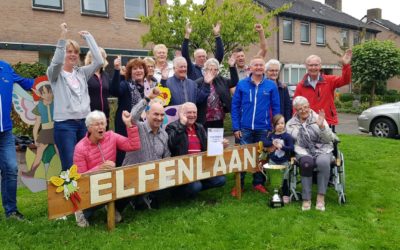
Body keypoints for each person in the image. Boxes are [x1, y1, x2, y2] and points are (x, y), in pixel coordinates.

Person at [47, 23, 103, 171]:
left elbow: (99, 61)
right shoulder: (54, 74)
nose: (72, 54)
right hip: (65, 126)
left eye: (76, 52)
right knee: (70, 166)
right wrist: (62, 36)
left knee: (86, 163)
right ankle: (70, 194)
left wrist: (89, 38)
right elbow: (57, 61)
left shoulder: (81, 72)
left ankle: (84, 194)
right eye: (69, 51)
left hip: (84, 124)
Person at [73, 110, 141, 227]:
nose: (101, 127)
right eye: (97, 124)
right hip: (91, 186)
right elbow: (80, 178)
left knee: (131, 184)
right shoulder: (80, 148)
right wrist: (99, 168)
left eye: (103, 123)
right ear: (89, 128)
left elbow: (134, 145)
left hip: (110, 181)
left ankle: (114, 208)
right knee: (91, 202)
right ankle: (81, 212)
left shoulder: (112, 136)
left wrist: (129, 125)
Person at [230, 56, 281, 197]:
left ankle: (258, 183)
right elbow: (235, 107)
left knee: (261, 156)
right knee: (241, 157)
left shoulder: (271, 85)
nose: (258, 67)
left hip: (263, 128)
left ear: (264, 68)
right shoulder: (242, 84)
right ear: (250, 68)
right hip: (244, 128)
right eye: (256, 65)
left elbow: (276, 108)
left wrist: (275, 128)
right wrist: (236, 127)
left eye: (261, 65)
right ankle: (238, 185)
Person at [117, 88, 170, 212]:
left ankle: (146, 198)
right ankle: (134, 200)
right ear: (146, 114)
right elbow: (133, 115)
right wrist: (148, 98)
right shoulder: (138, 127)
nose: (159, 118)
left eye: (162, 115)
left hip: (153, 176)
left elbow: (167, 156)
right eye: (156, 114)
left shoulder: (164, 134)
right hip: (131, 175)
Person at [166, 102, 228, 198]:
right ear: (181, 114)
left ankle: (195, 186)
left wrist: (220, 145)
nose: (192, 115)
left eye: (194, 112)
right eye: (189, 112)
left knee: (221, 180)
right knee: (196, 186)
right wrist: (182, 125)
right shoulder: (172, 127)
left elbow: (207, 147)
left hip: (200, 167)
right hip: (183, 169)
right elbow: (171, 144)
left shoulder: (199, 127)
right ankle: (177, 192)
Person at [286, 96, 336, 211]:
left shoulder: (318, 118)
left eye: (305, 107)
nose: (303, 110)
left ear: (309, 106)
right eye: (300, 109)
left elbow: (329, 139)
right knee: (306, 164)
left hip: (323, 148)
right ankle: (306, 198)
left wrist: (322, 127)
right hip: (303, 151)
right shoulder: (291, 124)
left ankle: (320, 197)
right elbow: (293, 140)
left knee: (323, 162)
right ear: (296, 111)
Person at [0, 60, 34, 220]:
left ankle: (11, 211)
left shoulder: (5, 67)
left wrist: (51, 80)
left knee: (11, 168)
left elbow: (25, 82)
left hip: (5, 131)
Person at [294, 49, 352, 132]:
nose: (313, 68)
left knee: (329, 144)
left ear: (320, 66)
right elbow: (295, 106)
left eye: (316, 65)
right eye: (310, 65)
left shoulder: (329, 80)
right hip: (308, 123)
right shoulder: (301, 85)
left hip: (327, 121)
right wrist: (296, 122)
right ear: (306, 66)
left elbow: (345, 80)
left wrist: (346, 66)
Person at [111, 57, 149, 166]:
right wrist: (117, 70)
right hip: (126, 126)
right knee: (125, 155)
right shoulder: (126, 85)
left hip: (143, 125)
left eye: (141, 68)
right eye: (135, 69)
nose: (138, 71)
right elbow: (115, 91)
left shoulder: (149, 87)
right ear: (130, 72)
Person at [195, 56, 238, 130]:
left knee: (217, 140)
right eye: (210, 69)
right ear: (205, 70)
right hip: (203, 118)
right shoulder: (198, 82)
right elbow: (197, 99)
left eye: (215, 69)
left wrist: (232, 67)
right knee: (204, 140)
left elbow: (234, 82)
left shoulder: (221, 80)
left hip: (218, 117)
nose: (213, 71)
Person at [262, 114, 294, 204]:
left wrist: (282, 147)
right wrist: (272, 142)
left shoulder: (287, 136)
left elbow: (291, 148)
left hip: (284, 162)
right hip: (273, 161)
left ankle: (285, 194)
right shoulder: (271, 135)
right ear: (273, 125)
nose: (280, 125)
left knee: (284, 179)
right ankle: (276, 192)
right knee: (275, 179)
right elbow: (264, 142)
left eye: (282, 123)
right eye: (278, 124)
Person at [85, 48, 111, 127]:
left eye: (102, 56)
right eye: (96, 56)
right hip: (90, 117)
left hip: (104, 117)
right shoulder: (85, 74)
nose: (100, 58)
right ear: (90, 58)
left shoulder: (106, 75)